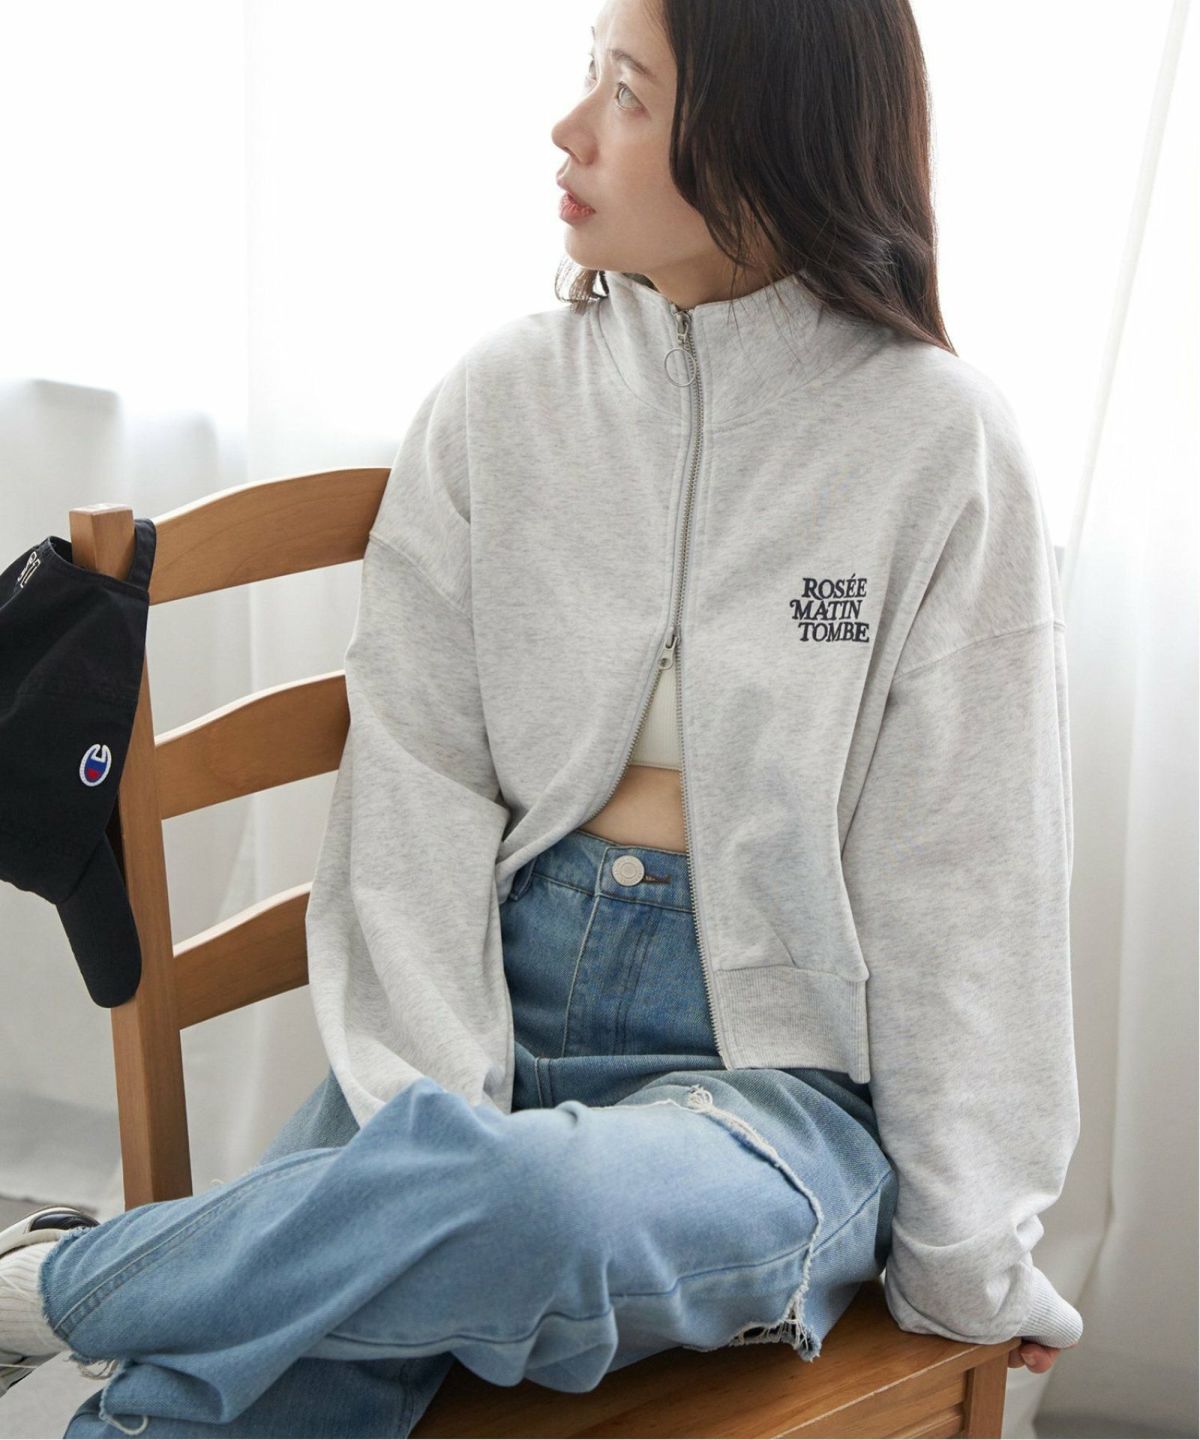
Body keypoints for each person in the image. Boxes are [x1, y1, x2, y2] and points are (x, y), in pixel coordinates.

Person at [0, 0, 1084, 1433]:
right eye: (589, 74)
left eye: (627, 93)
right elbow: (414, 780)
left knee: (532, 1210)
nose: (568, 130)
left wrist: (968, 1257)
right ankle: (336, 1241)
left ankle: (56, 1287)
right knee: (211, 1400)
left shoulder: (937, 445)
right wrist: (430, 1108)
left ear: (771, 133)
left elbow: (972, 881)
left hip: (761, 1095)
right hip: (470, 1009)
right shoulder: (499, 403)